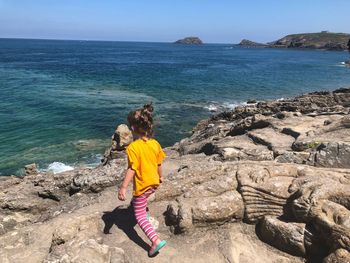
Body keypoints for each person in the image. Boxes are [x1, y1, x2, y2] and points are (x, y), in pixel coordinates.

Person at [118, 103, 167, 256]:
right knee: (140, 201)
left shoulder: (133, 147)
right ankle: (141, 209)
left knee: (139, 216)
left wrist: (123, 187)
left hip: (143, 185)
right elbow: (159, 163)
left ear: (132, 128)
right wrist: (160, 177)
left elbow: (132, 169)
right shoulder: (155, 143)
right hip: (154, 183)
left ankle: (155, 241)